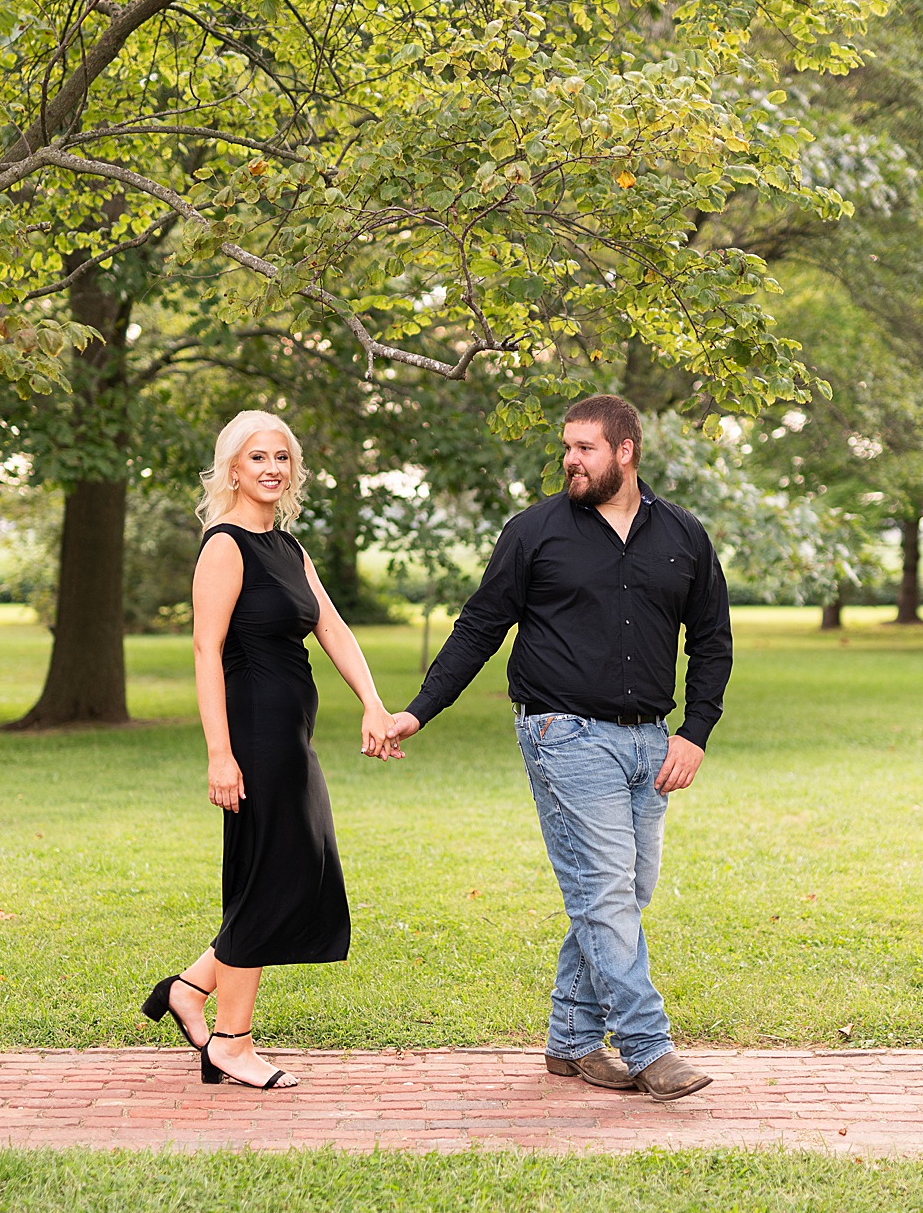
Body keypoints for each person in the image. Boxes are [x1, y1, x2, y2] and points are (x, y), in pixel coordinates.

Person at [386, 393, 732, 1102]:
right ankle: (649, 1046)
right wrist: (420, 710)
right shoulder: (534, 531)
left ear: (625, 451)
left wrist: (695, 731)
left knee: (624, 894)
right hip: (563, 732)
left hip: (650, 742)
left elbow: (712, 639)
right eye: (566, 447)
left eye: (584, 448)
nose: (570, 459)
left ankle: (571, 1038)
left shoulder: (683, 534)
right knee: (605, 893)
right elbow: (480, 626)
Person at [143, 409, 400, 1090]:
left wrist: (373, 703)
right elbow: (205, 651)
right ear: (233, 468)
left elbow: (333, 628)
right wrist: (219, 753)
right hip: (253, 734)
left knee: (294, 869)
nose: (272, 468)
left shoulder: (287, 547)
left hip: (291, 736)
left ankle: (189, 989)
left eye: (282, 457)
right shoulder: (224, 547)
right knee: (267, 878)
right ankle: (231, 1042)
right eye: (258, 457)